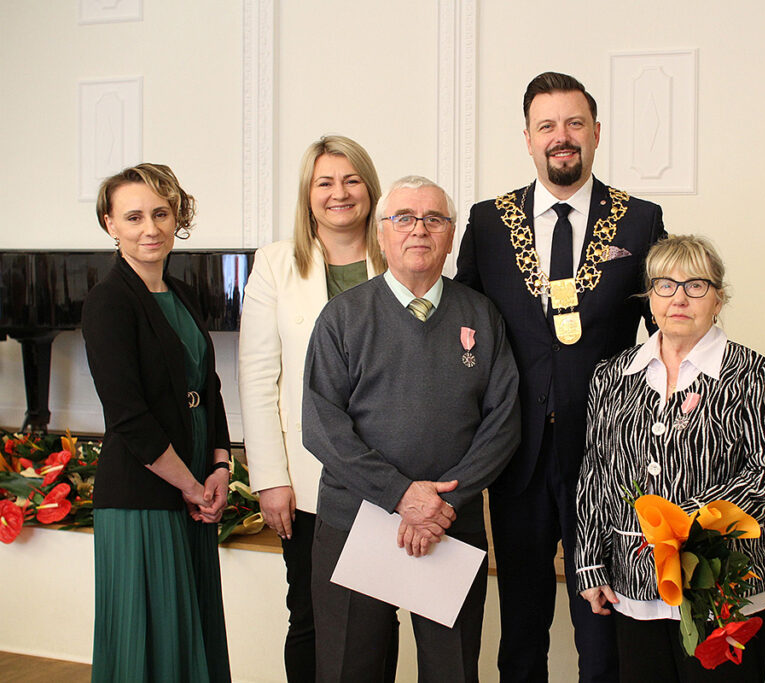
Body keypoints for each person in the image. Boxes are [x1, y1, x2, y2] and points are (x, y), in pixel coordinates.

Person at [455, 71, 666, 681]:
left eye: (574, 123)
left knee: (603, 630)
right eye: (546, 125)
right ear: (527, 138)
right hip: (514, 454)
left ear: (596, 132)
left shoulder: (640, 219)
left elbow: (667, 328)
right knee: (521, 628)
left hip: (608, 458)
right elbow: (460, 329)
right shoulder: (488, 222)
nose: (561, 136)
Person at [303, 175, 521, 682]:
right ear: (382, 234)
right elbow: (321, 424)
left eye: (433, 219)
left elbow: (504, 422)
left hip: (451, 525)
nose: (419, 229)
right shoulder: (342, 317)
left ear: (450, 236)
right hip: (356, 523)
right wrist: (401, 496)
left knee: (452, 672)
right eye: (403, 218)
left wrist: (443, 504)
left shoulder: (482, 315)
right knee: (348, 671)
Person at [575, 235, 765, 682]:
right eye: (665, 285)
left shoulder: (755, 375)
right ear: (649, 298)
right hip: (635, 586)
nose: (679, 298)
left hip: (726, 590)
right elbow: (595, 473)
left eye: (696, 285)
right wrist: (590, 561)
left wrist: (690, 524)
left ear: (718, 299)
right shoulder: (611, 376)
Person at [238, 135, 385, 682]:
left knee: (377, 621)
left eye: (351, 180)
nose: (339, 193)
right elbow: (258, 378)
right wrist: (270, 479)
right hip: (307, 479)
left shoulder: (399, 255)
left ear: (370, 189)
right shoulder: (276, 264)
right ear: (307, 194)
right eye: (325, 182)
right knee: (309, 615)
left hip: (386, 476)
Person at [83, 163, 232, 682]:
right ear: (110, 224)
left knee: (191, 634)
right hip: (142, 493)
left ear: (176, 218)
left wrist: (220, 466)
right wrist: (191, 485)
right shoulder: (108, 301)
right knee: (154, 642)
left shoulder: (181, 292)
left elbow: (208, 387)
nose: (150, 228)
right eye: (134, 217)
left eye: (161, 213)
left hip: (194, 482)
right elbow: (127, 416)